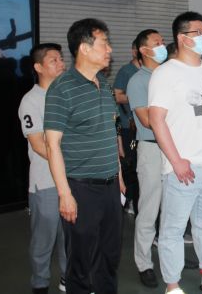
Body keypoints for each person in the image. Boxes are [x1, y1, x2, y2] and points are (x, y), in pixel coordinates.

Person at [148, 11, 202, 294]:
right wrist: (176, 161)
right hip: (184, 167)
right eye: (198, 32)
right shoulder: (165, 73)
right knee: (173, 229)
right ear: (182, 38)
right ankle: (172, 285)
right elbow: (156, 120)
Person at [44, 18, 124, 294]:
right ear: (84, 48)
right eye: (104, 43)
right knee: (81, 261)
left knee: (110, 256)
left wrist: (119, 176)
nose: (110, 49)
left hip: (110, 186)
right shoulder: (62, 88)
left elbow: (110, 133)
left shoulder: (104, 84)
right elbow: (52, 145)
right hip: (81, 188)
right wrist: (64, 194)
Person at [18, 43, 67, 294]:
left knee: (69, 236)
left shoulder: (67, 95)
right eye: (53, 60)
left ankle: (68, 277)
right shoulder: (31, 101)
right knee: (44, 237)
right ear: (38, 67)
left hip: (72, 179)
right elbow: (39, 145)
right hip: (46, 181)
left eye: (61, 59)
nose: (61, 64)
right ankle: (40, 282)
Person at [128, 29, 167, 288]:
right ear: (143, 50)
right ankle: (144, 263)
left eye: (163, 42)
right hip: (152, 149)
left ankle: (170, 256)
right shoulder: (138, 81)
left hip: (174, 149)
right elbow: (146, 120)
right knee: (150, 208)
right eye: (157, 42)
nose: (162, 45)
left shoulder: (168, 76)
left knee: (173, 208)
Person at [113, 42, 141, 215]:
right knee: (131, 163)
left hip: (144, 127)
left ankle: (136, 198)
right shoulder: (126, 71)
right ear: (134, 51)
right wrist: (139, 96)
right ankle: (129, 199)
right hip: (129, 127)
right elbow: (118, 96)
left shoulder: (152, 70)